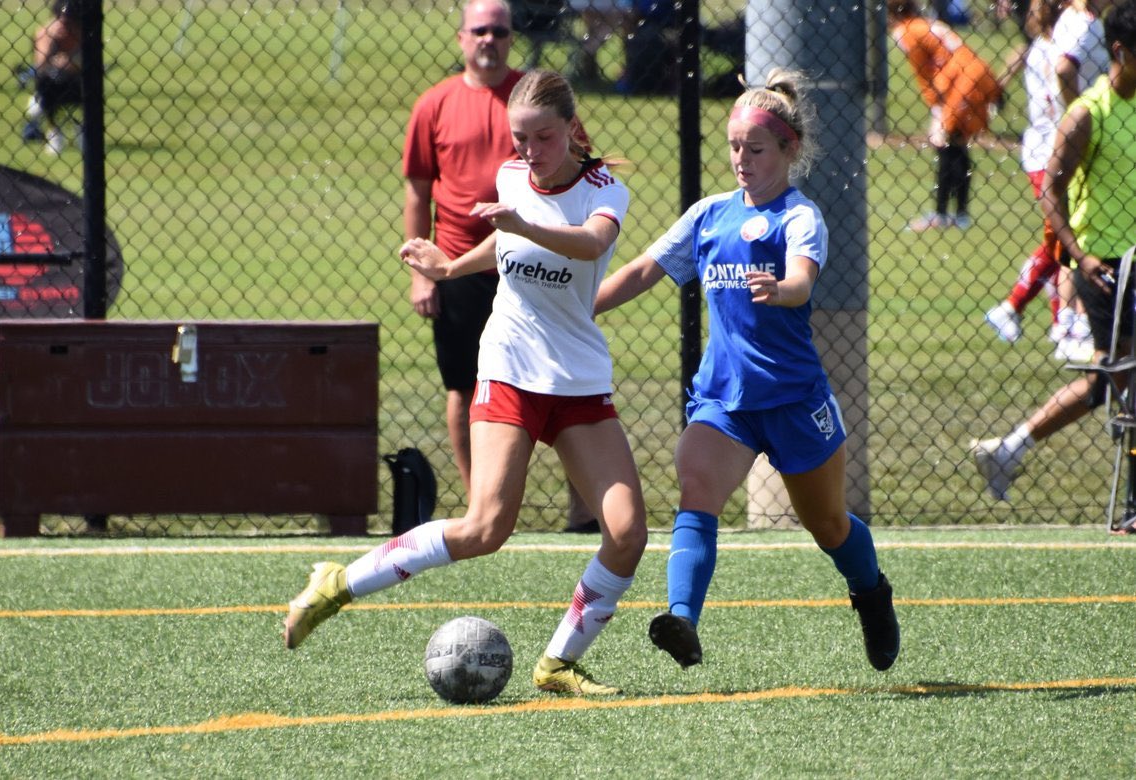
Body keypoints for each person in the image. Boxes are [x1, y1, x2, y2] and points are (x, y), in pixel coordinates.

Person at [286, 69, 649, 695]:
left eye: (543, 137)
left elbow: (590, 246)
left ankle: (557, 662)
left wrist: (520, 225)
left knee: (626, 532)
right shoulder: (512, 177)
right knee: (486, 527)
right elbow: (505, 245)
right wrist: (451, 266)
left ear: (570, 129)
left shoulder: (603, 191)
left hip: (579, 380)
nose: (529, 152)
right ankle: (336, 583)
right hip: (509, 367)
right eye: (520, 138)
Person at [593, 69, 900, 672]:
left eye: (754, 149)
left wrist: (780, 289)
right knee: (696, 488)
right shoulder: (709, 216)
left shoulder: (800, 216)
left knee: (829, 524)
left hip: (792, 399)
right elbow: (643, 270)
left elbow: (801, 280)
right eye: (733, 147)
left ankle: (871, 594)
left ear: (788, 150)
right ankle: (681, 618)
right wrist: (579, 306)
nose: (740, 159)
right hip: (725, 399)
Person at [403, 0, 597, 532]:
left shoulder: (533, 101)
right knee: (465, 386)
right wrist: (427, 270)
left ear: (512, 37)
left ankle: (584, 512)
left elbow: (582, 176)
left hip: (537, 263)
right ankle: (478, 506)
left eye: (500, 31)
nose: (489, 39)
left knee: (564, 383)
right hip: (465, 262)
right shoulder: (435, 103)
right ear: (462, 37)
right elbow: (418, 191)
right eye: (480, 30)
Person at [971, 0, 1136, 525]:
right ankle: (1131, 506)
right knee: (1123, 377)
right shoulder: (1089, 113)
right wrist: (1080, 257)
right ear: (1120, 52)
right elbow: (1052, 194)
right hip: (1107, 264)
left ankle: (1009, 449)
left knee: (1110, 381)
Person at [985, 0, 1113, 361]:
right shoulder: (1063, 42)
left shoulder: (1047, 44)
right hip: (1049, 148)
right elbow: (1064, 75)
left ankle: (1058, 321)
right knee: (1061, 238)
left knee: (1061, 239)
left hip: (1048, 146)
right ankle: (1024, 310)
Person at [889, 0, 1002, 231]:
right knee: (956, 145)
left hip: (960, 80)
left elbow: (922, 70)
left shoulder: (905, 31)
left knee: (947, 144)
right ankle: (957, 214)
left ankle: (944, 214)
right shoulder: (925, 24)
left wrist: (936, 105)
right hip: (972, 72)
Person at [25, 0, 82, 155]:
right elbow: (40, 65)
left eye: (70, 22)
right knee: (47, 83)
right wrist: (51, 43)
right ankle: (54, 131)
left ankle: (82, 129)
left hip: (75, 81)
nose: (65, 26)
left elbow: (89, 65)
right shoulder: (45, 33)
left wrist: (71, 63)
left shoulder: (83, 33)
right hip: (50, 82)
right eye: (62, 20)